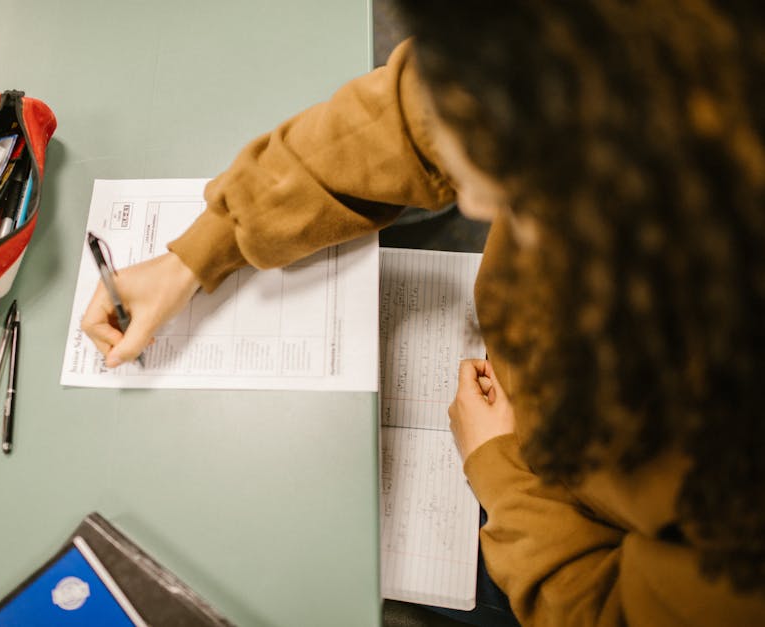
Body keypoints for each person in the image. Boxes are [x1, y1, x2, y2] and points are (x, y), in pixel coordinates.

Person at [82, 1, 765, 624]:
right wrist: (197, 252)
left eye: (519, 198)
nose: (468, 204)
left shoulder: (732, 481)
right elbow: (403, 121)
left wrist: (502, 473)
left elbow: (605, 612)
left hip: (562, 537)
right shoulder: (573, 55)